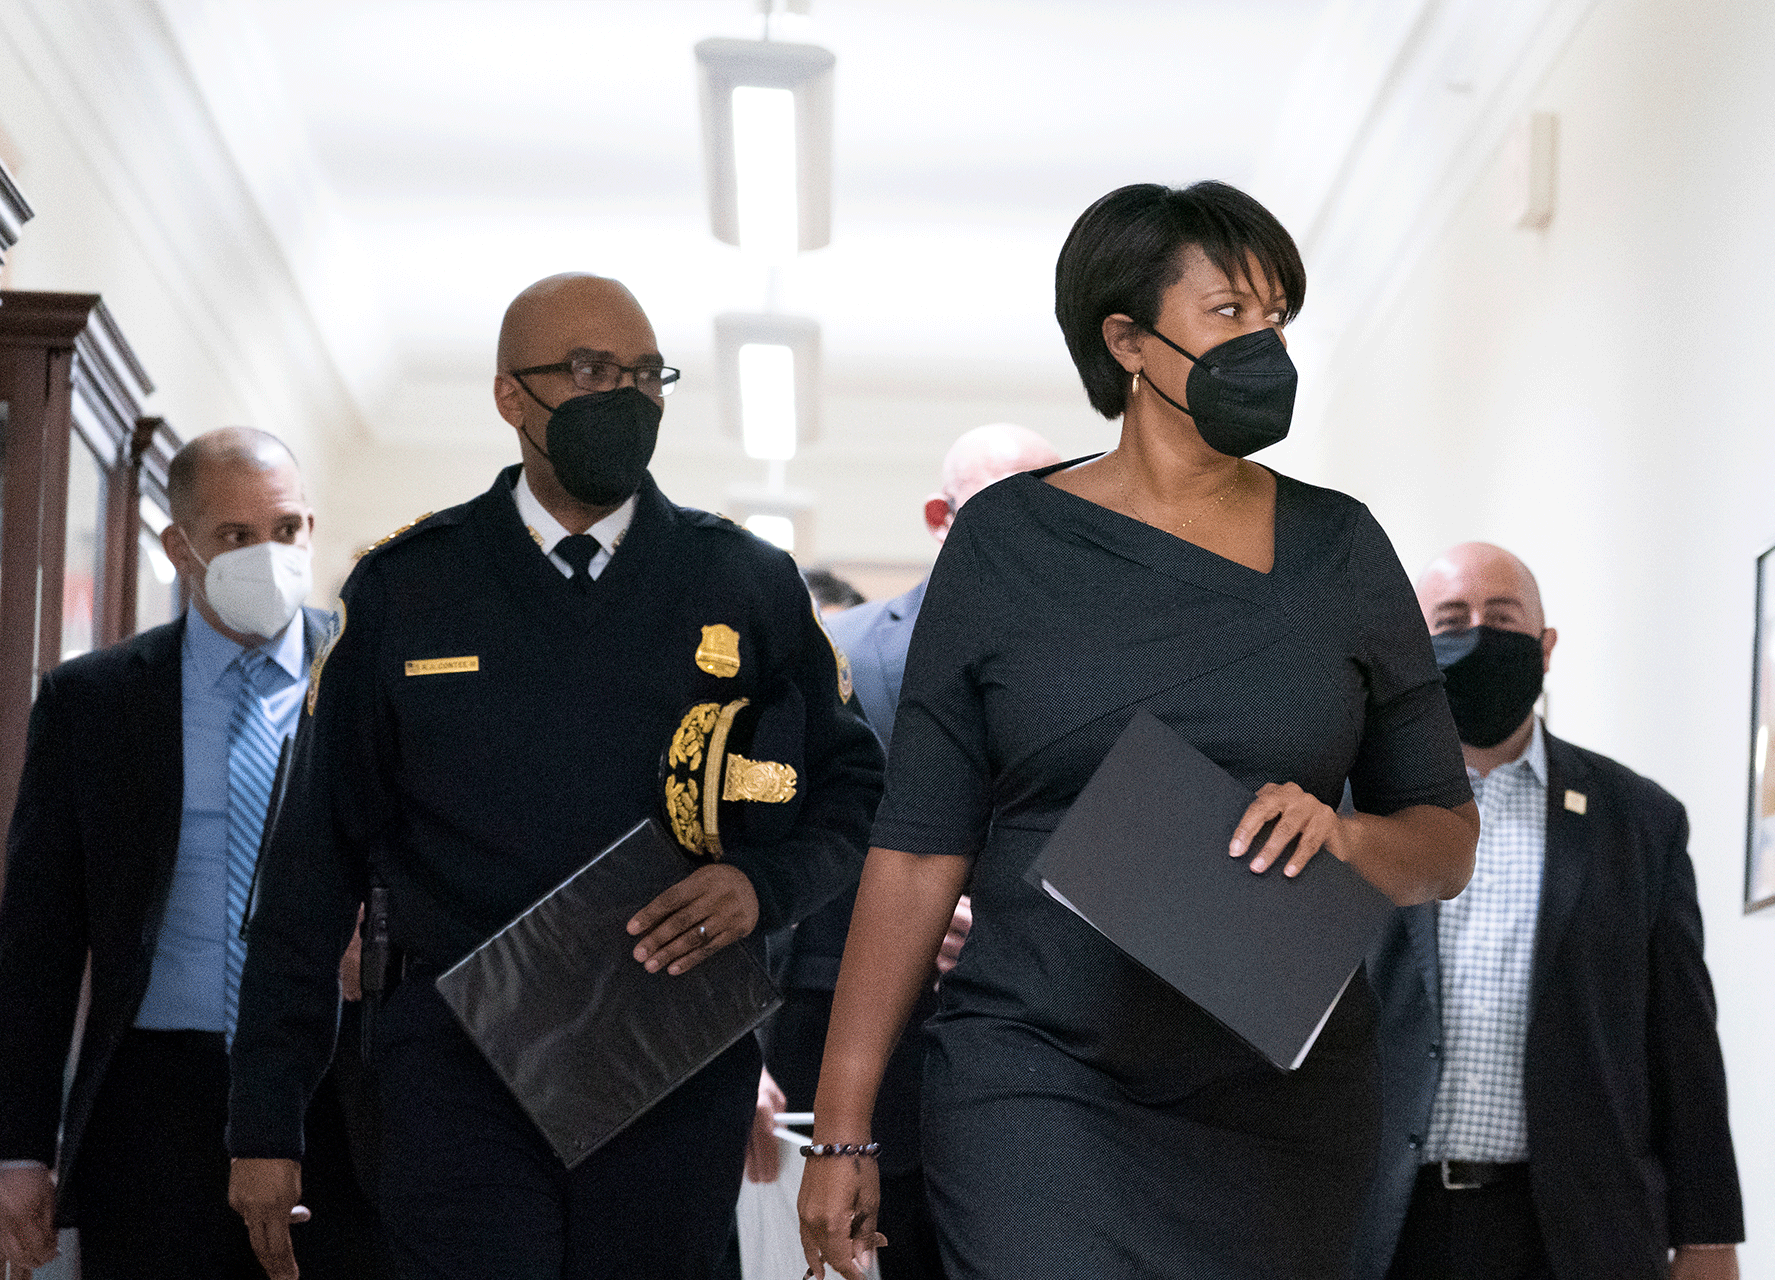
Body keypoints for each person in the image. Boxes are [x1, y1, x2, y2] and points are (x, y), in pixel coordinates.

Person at [796, 181, 1480, 1280]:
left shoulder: (1342, 550)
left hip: (1277, 1098)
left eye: (1278, 319)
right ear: (1127, 340)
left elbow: (1444, 837)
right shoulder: (1006, 545)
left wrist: (1348, 840)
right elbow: (918, 844)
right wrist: (843, 1125)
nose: (1266, 344)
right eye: (1230, 315)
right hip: (1037, 1071)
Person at [225, 273, 885, 1280]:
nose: (624, 396)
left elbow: (851, 789)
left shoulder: (745, 582)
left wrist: (767, 885)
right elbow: (313, 861)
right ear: (510, 396)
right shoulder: (410, 586)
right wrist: (263, 1116)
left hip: (667, 1054)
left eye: (645, 373)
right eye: (587, 370)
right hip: (453, 1062)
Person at [0, 428, 386, 1279]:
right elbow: (36, 944)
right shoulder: (92, 703)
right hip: (158, 1102)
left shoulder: (371, 680)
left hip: (337, 1096)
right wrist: (19, 1151)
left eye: (285, 530)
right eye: (235, 537)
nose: (268, 555)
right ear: (180, 548)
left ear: (312, 530)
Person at [1351, 541, 1744, 1280]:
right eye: (1451, 618)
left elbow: (1683, 1044)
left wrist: (1709, 1236)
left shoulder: (1639, 822)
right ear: (1412, 646)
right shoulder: (1351, 806)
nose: (1476, 634)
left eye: (1502, 617)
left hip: (1577, 1234)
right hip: (1382, 1231)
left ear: (1546, 646)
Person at [765, 422, 1061, 1280]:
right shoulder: (841, 653)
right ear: (942, 515)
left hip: (1042, 1073)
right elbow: (789, 842)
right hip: (859, 1067)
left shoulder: (1104, 669)